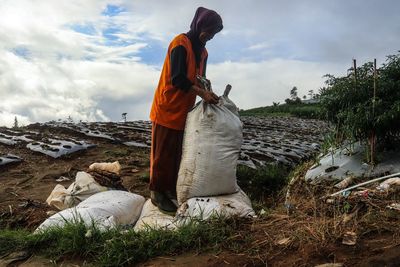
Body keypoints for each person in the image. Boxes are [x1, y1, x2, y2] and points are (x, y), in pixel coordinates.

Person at [149, 7, 223, 213]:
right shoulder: (180, 43)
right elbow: (178, 78)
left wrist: (207, 90)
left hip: (184, 110)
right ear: (200, 25)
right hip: (167, 106)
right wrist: (201, 93)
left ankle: (170, 189)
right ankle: (157, 192)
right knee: (162, 154)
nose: (209, 36)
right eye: (209, 31)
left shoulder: (204, 51)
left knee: (177, 153)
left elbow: (199, 78)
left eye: (213, 34)